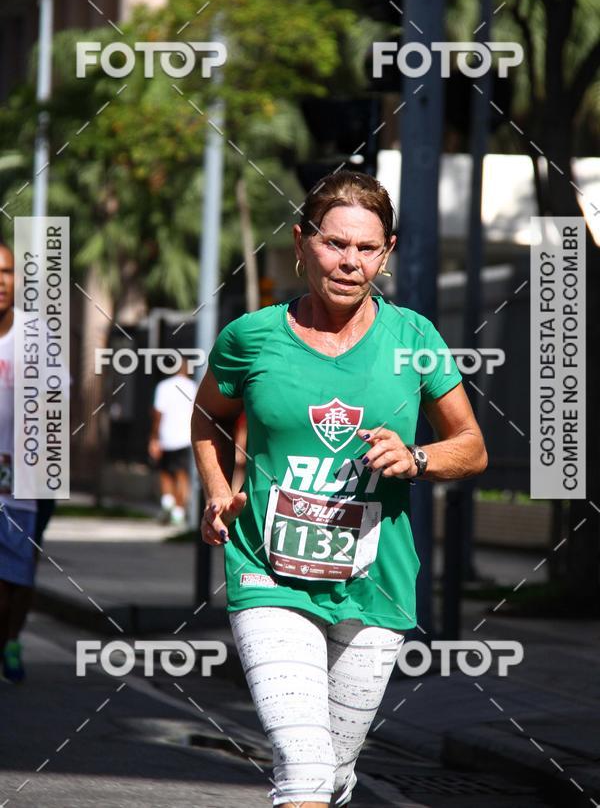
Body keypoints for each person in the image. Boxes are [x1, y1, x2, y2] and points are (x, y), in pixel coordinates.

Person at [191, 171, 487, 807]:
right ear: (301, 243)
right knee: (301, 767)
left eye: (366, 248)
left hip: (375, 583)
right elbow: (208, 418)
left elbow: (471, 446)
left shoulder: (414, 341)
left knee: (334, 771)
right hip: (268, 571)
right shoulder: (251, 338)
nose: (350, 262)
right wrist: (218, 489)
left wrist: (417, 456)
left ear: (386, 253)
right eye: (334, 243)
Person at [0, 242, 39, 682]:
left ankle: (12, 639)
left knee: (19, 581)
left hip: (24, 485)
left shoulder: (35, 336)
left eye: (7, 271)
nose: (0, 280)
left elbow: (58, 401)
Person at [149, 355, 196, 526]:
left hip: (166, 436)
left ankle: (167, 504)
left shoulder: (164, 386)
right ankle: (179, 510)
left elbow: (157, 414)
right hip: (186, 437)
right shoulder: (193, 387)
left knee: (165, 473)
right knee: (182, 474)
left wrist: (154, 437)